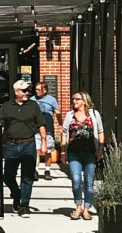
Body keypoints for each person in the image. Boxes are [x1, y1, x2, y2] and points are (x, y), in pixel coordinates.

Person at [0, 79, 46, 218]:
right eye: (24, 90)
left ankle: (24, 205)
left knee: (27, 176)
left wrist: (43, 142)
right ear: (16, 91)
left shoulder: (33, 106)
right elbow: (0, 125)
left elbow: (41, 124)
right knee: (7, 176)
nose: (27, 93)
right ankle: (17, 193)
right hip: (11, 145)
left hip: (28, 144)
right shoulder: (6, 106)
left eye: (27, 90)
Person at [61, 91, 105, 220]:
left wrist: (101, 148)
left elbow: (101, 131)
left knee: (89, 182)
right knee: (75, 180)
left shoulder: (94, 115)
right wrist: (63, 151)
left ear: (85, 101)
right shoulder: (69, 115)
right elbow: (64, 133)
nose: (74, 101)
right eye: (73, 99)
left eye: (77, 99)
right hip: (74, 152)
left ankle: (87, 209)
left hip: (90, 152)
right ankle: (78, 206)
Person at [31, 82, 60, 181]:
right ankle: (35, 170)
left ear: (45, 90)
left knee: (48, 150)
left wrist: (60, 123)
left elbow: (57, 112)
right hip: (35, 128)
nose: (37, 91)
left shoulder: (51, 100)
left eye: (39, 89)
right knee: (36, 150)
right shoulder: (32, 100)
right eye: (36, 89)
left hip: (48, 128)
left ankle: (47, 170)